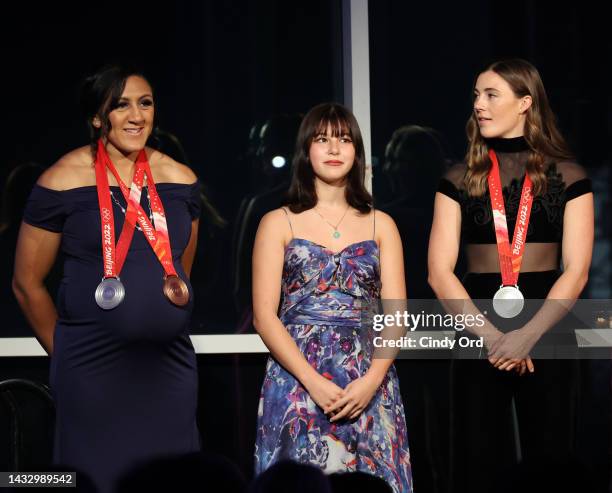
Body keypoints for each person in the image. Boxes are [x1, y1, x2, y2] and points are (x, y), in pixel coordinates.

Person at [12, 65, 202, 493]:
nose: (136, 115)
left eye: (145, 103)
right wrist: (67, 353)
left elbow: (181, 270)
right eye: (121, 105)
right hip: (91, 370)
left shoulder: (180, 179)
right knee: (96, 479)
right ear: (98, 117)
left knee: (173, 480)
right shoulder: (61, 180)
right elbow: (26, 283)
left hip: (167, 369)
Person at [428, 59, 593, 492]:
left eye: (490, 95)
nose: (478, 105)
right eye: (476, 96)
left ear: (525, 102)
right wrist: (494, 338)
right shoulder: (457, 178)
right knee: (475, 458)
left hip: (551, 323)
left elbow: (575, 272)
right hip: (474, 322)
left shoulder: (570, 176)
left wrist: (527, 336)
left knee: (553, 459)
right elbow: (438, 272)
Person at [252, 103, 413, 493]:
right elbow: (263, 316)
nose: (334, 149)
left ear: (356, 151)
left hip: (368, 381)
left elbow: (396, 316)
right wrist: (314, 382)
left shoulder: (381, 224)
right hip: (296, 380)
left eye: (343, 139)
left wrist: (371, 381)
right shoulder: (278, 221)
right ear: (306, 151)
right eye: (322, 139)